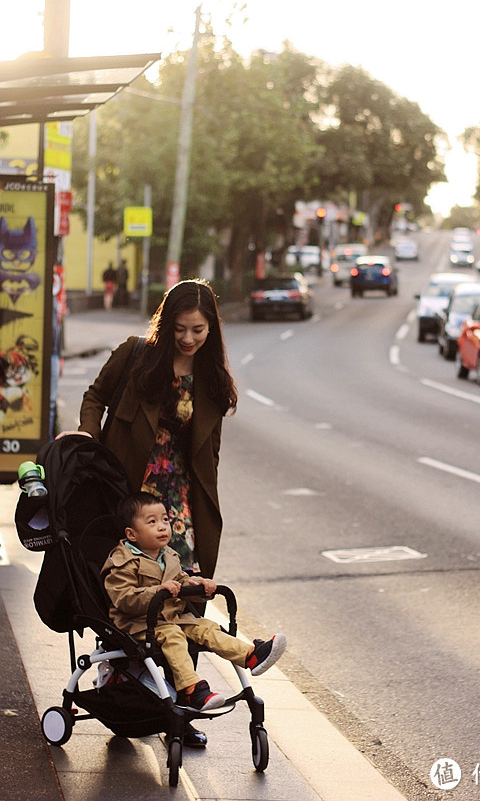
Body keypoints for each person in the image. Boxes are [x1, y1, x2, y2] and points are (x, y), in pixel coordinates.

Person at [58, 278, 236, 579]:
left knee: (182, 580)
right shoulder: (136, 354)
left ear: (211, 329)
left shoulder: (212, 377)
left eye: (198, 330)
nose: (188, 338)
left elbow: (211, 452)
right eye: (179, 328)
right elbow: (96, 396)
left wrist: (204, 502)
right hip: (126, 488)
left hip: (180, 499)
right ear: (167, 324)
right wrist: (89, 433)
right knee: (127, 579)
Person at [102, 491, 286, 711]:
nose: (162, 527)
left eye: (165, 520)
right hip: (139, 623)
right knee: (173, 636)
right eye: (152, 522)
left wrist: (199, 587)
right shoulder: (123, 562)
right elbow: (123, 599)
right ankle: (190, 690)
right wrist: (157, 590)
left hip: (171, 617)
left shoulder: (168, 555)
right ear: (132, 535)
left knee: (206, 628)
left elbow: (181, 580)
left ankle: (251, 656)